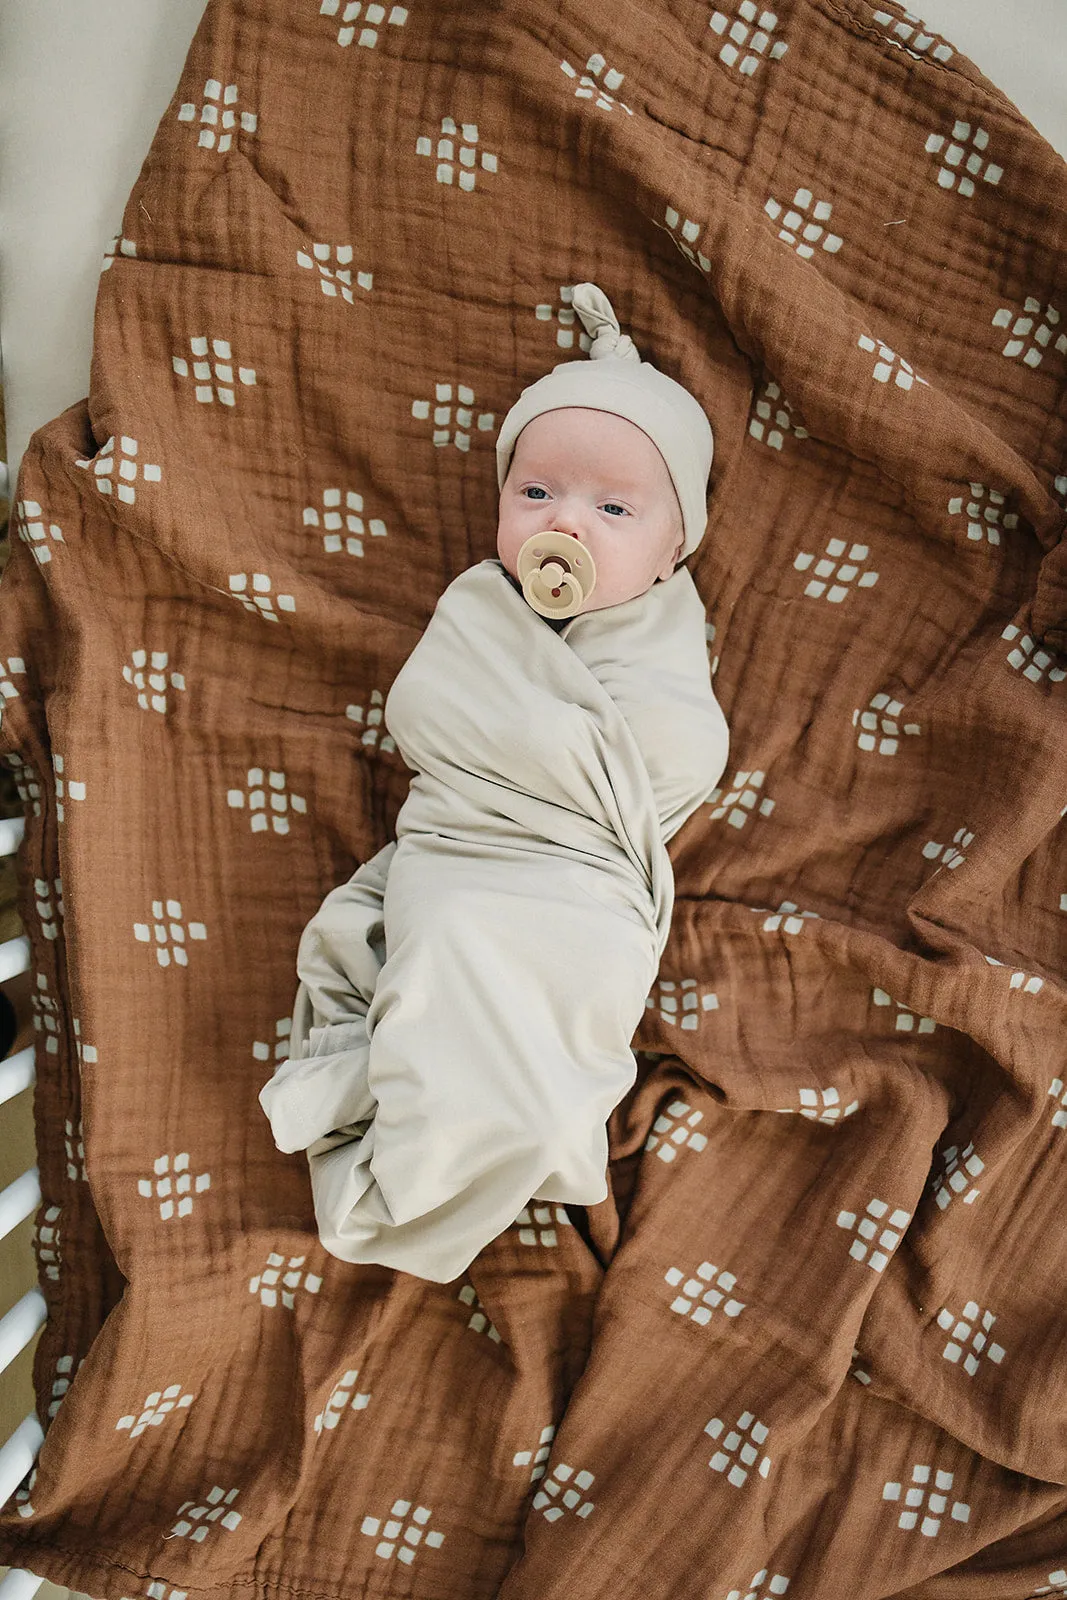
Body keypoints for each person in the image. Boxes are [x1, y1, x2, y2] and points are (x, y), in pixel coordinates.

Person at [258, 283, 730, 1282]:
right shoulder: (480, 609)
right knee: (450, 947)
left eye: (613, 509)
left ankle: (484, 1130)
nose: (568, 523)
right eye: (536, 495)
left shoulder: (664, 635)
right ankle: (430, 1139)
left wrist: (582, 756)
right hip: (467, 852)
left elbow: (681, 754)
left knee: (548, 994)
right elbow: (430, 710)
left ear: (669, 548)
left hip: (583, 884)